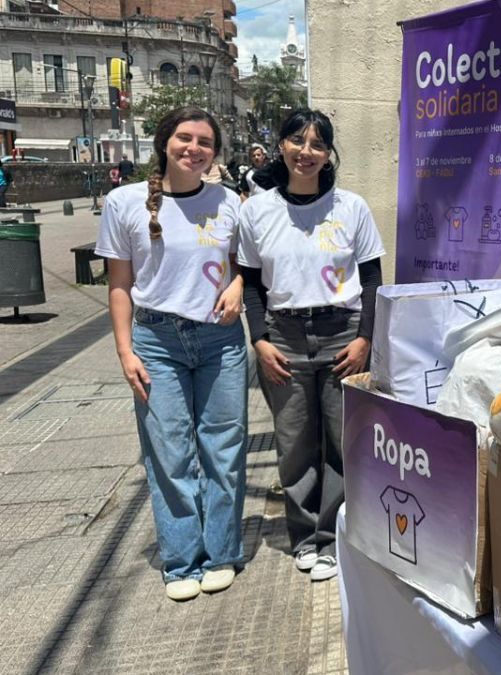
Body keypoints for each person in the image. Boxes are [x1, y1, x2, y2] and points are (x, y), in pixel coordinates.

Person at [95, 106, 247, 601]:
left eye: (205, 141)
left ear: (214, 152)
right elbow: (119, 285)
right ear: (165, 142)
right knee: (168, 454)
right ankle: (182, 561)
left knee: (223, 450)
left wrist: (239, 284)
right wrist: (125, 351)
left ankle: (222, 551)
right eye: (185, 138)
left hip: (219, 339)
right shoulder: (124, 202)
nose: (194, 149)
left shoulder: (229, 202)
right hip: (156, 342)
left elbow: (243, 263)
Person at [238, 109, 385, 582]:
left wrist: (365, 337)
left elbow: (372, 278)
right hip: (283, 338)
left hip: (342, 333)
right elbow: (253, 284)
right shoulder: (256, 211)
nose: (307, 152)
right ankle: (304, 538)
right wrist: (258, 340)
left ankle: (333, 538)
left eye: (317, 144)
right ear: (280, 145)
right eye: (297, 141)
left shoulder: (351, 207)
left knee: (344, 444)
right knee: (295, 444)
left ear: (328, 154)